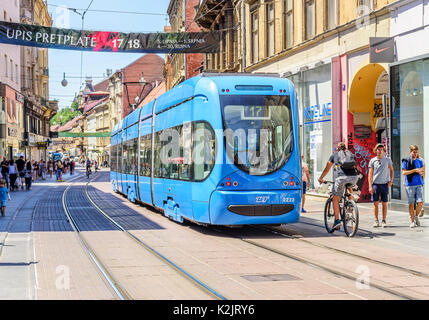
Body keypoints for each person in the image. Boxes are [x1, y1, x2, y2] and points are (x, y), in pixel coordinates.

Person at [318, 142, 359, 231]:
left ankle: (337, 220)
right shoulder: (351, 154)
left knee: (335, 198)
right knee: (348, 186)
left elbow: (327, 169)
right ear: (346, 148)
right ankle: (351, 204)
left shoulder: (334, 156)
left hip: (341, 178)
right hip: (354, 178)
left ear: (337, 149)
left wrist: (321, 178)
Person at [368, 144, 394, 228]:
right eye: (378, 149)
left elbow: (392, 170)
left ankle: (384, 220)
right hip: (375, 184)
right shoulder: (373, 160)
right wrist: (370, 186)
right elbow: (370, 174)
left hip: (384, 184)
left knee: (384, 203)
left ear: (383, 151)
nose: (379, 151)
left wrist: (391, 180)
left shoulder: (387, 160)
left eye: (381, 149)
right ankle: (376, 221)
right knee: (375, 203)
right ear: (375, 150)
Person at [402, 145, 425, 228]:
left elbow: (422, 172)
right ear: (410, 152)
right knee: (411, 204)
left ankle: (415, 216)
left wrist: (421, 173)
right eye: (413, 152)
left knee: (420, 202)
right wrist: (414, 170)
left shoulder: (420, 161)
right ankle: (412, 221)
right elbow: (404, 173)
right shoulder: (406, 161)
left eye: (416, 152)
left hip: (419, 183)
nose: (415, 153)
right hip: (410, 185)